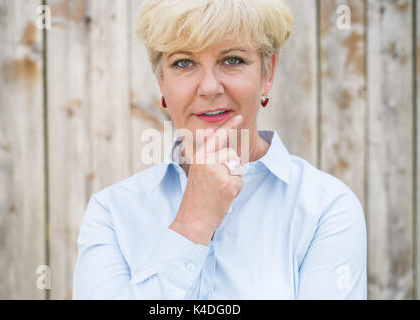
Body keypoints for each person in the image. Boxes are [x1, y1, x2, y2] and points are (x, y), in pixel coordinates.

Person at [72, 0, 367, 299]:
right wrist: (192, 221)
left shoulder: (326, 209)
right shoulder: (111, 213)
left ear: (268, 73)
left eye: (233, 60)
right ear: (162, 83)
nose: (210, 87)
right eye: (184, 62)